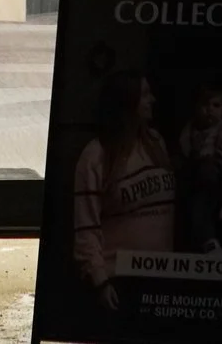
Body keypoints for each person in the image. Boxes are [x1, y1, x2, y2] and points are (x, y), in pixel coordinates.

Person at [70, 70, 177, 311]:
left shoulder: (156, 143)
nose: (153, 100)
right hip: (119, 281)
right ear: (128, 102)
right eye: (145, 95)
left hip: (162, 276)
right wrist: (100, 281)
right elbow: (86, 227)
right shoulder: (96, 155)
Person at [177, 84, 222, 251]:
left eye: (216, 105)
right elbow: (185, 150)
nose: (209, 110)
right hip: (203, 176)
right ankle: (208, 243)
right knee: (199, 208)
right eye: (204, 105)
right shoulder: (191, 129)